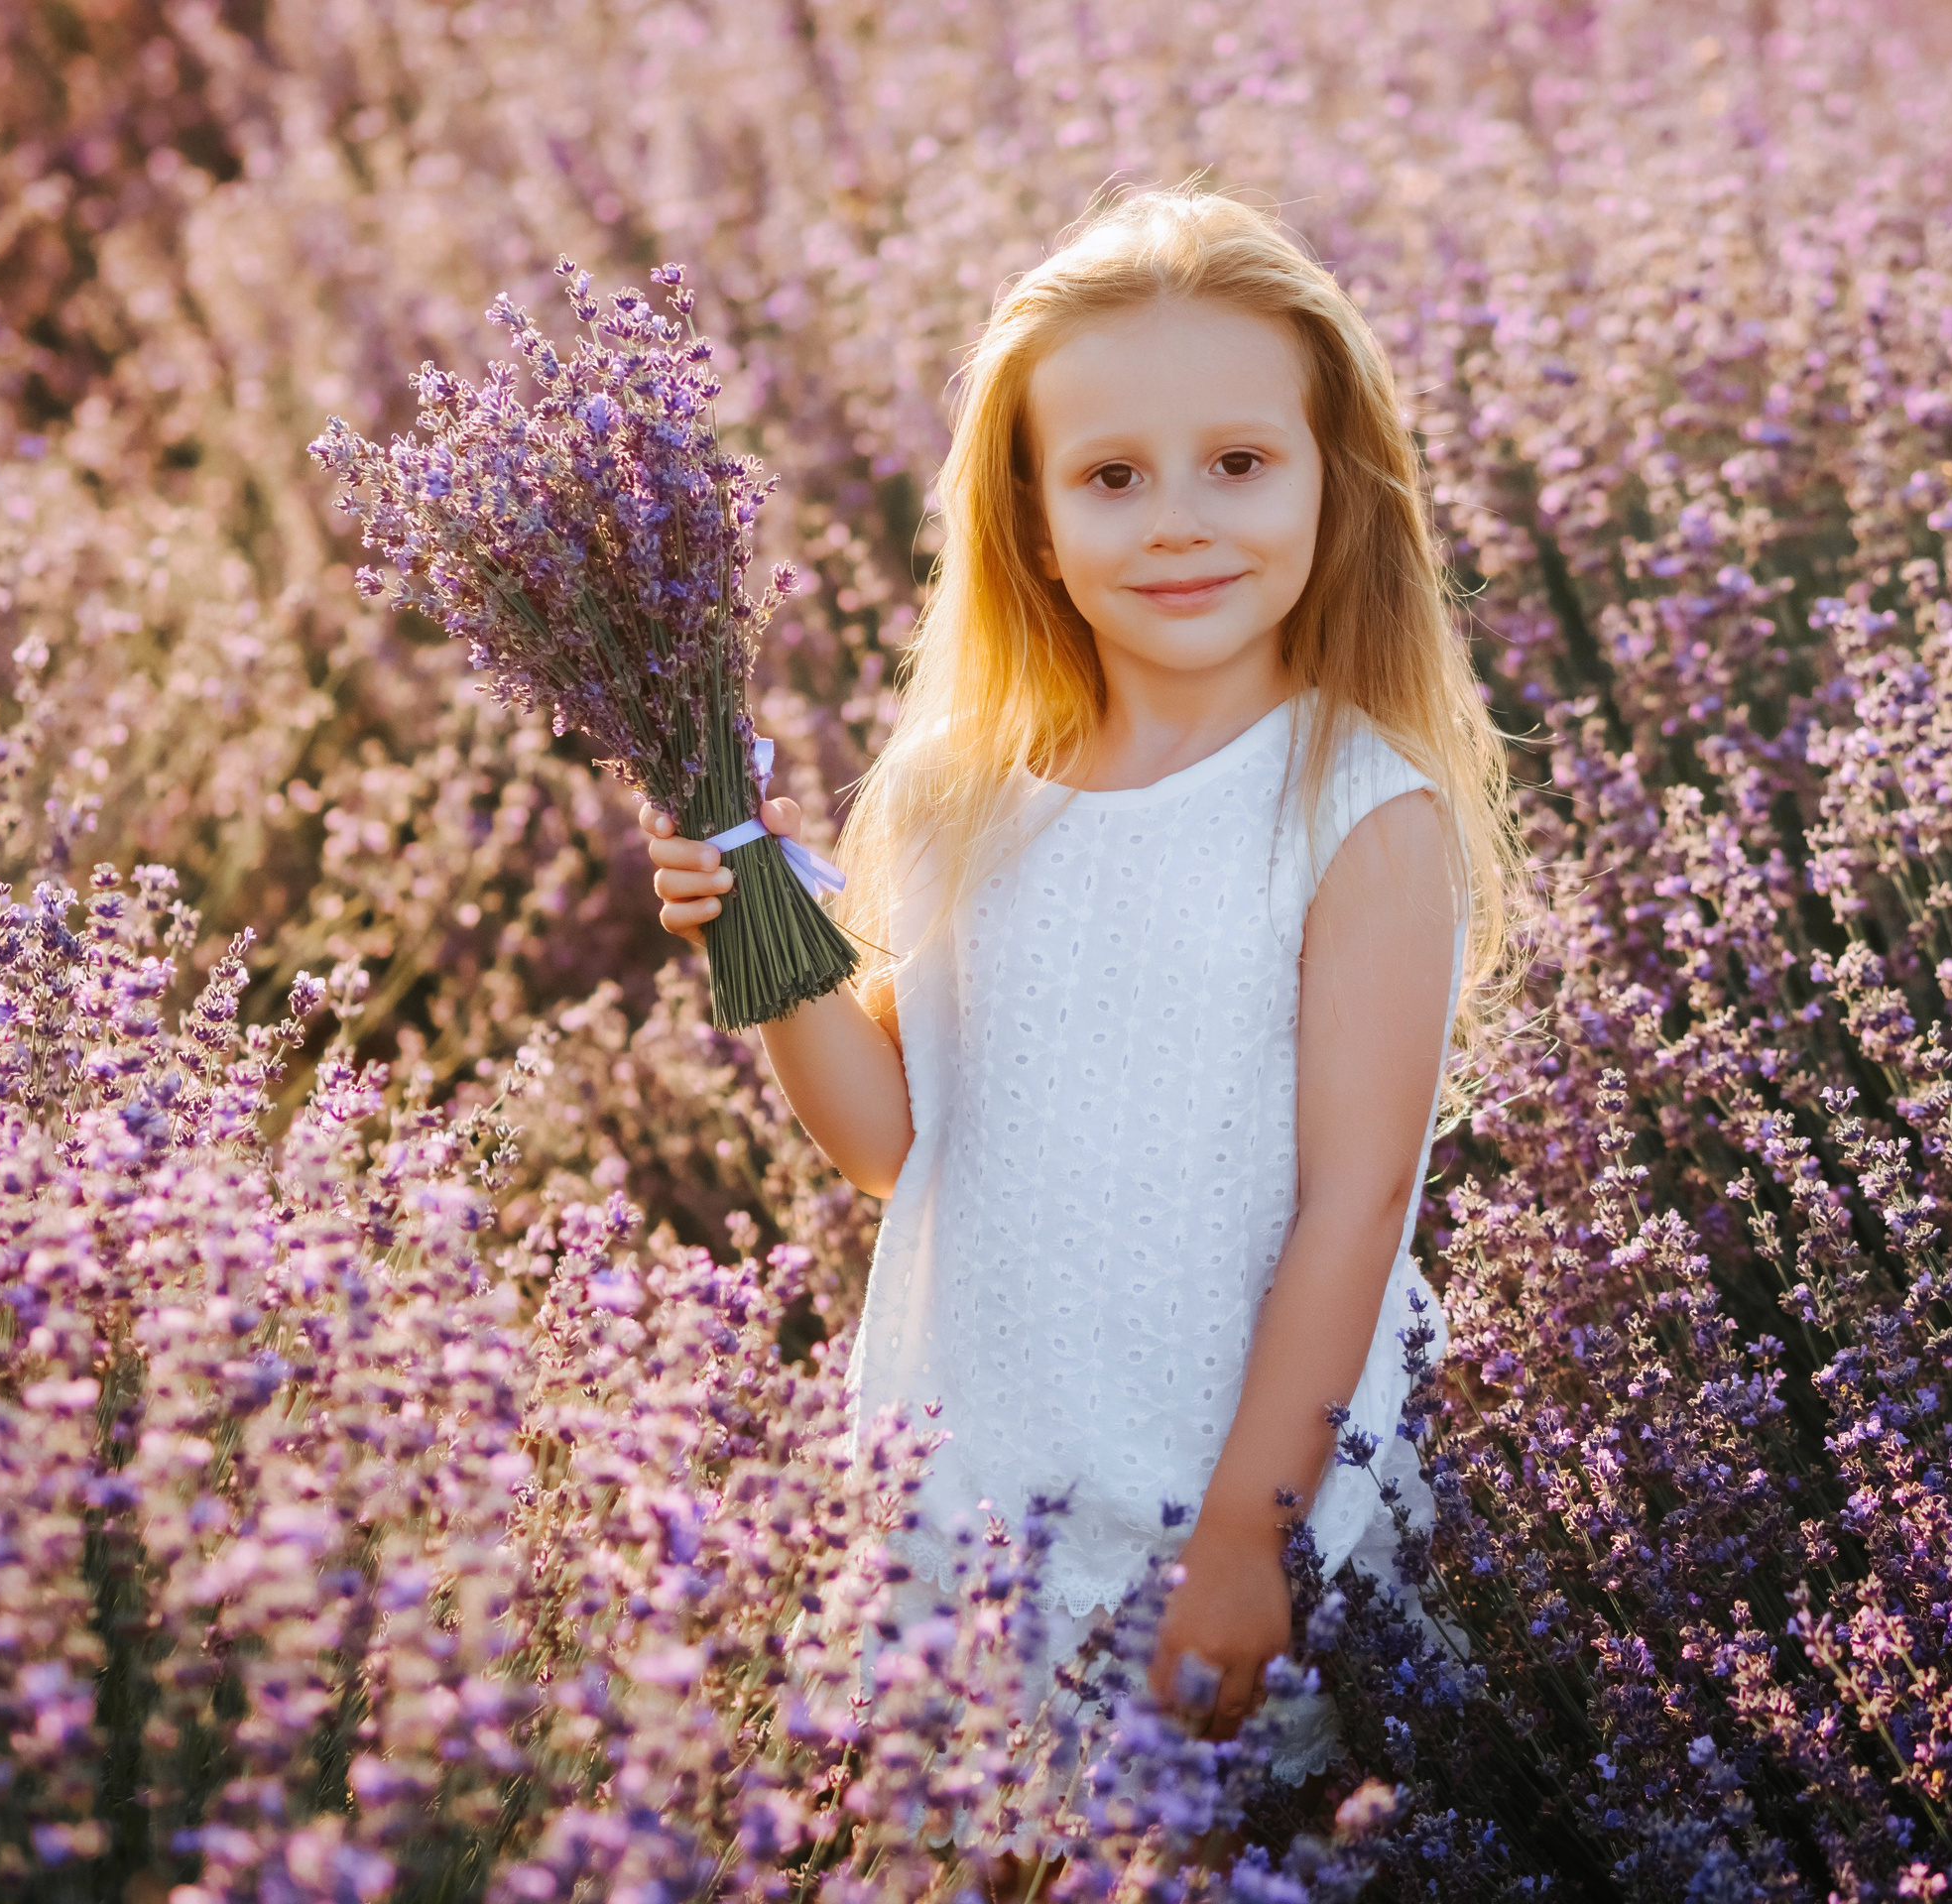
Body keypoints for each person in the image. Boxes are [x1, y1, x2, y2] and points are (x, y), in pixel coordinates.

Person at [638, 187, 1525, 1776]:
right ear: (1035, 522)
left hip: (1230, 1478)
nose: (1179, 519)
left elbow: (1358, 1201)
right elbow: (898, 1146)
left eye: (1238, 464)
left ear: (1337, 482)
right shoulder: (961, 796)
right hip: (976, 1467)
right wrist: (760, 936)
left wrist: (1254, 1538)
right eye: (1114, 478)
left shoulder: (1357, 806)